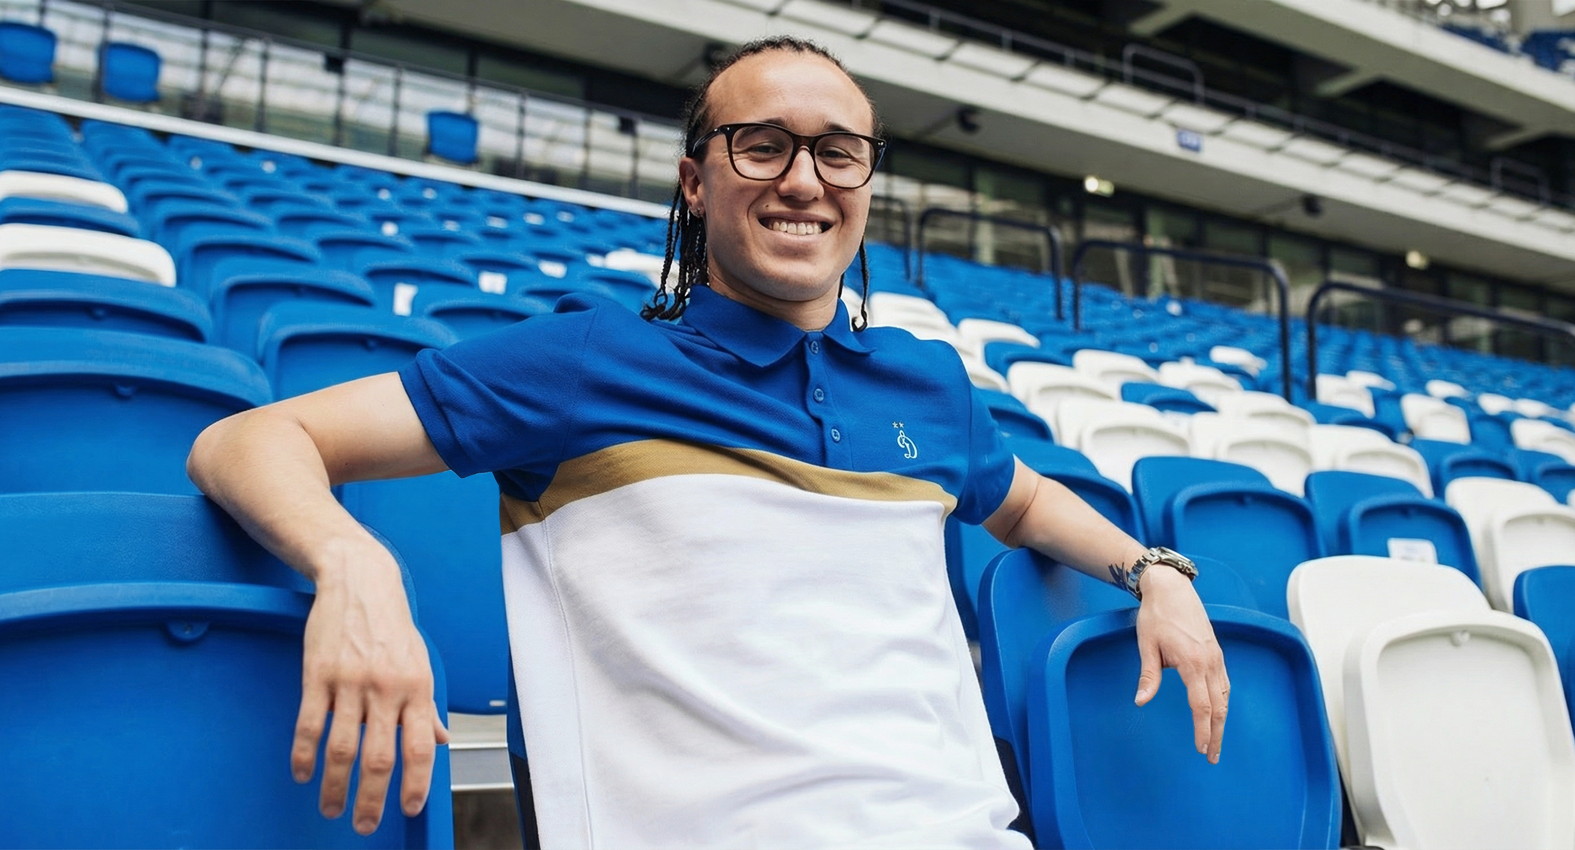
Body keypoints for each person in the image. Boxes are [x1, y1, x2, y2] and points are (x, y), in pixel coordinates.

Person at [188, 35, 1227, 849]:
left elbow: (1024, 501)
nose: (804, 180)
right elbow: (251, 438)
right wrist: (353, 561)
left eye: (838, 152)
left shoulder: (928, 382)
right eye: (762, 144)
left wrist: (1156, 573)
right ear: (696, 181)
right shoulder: (588, 360)